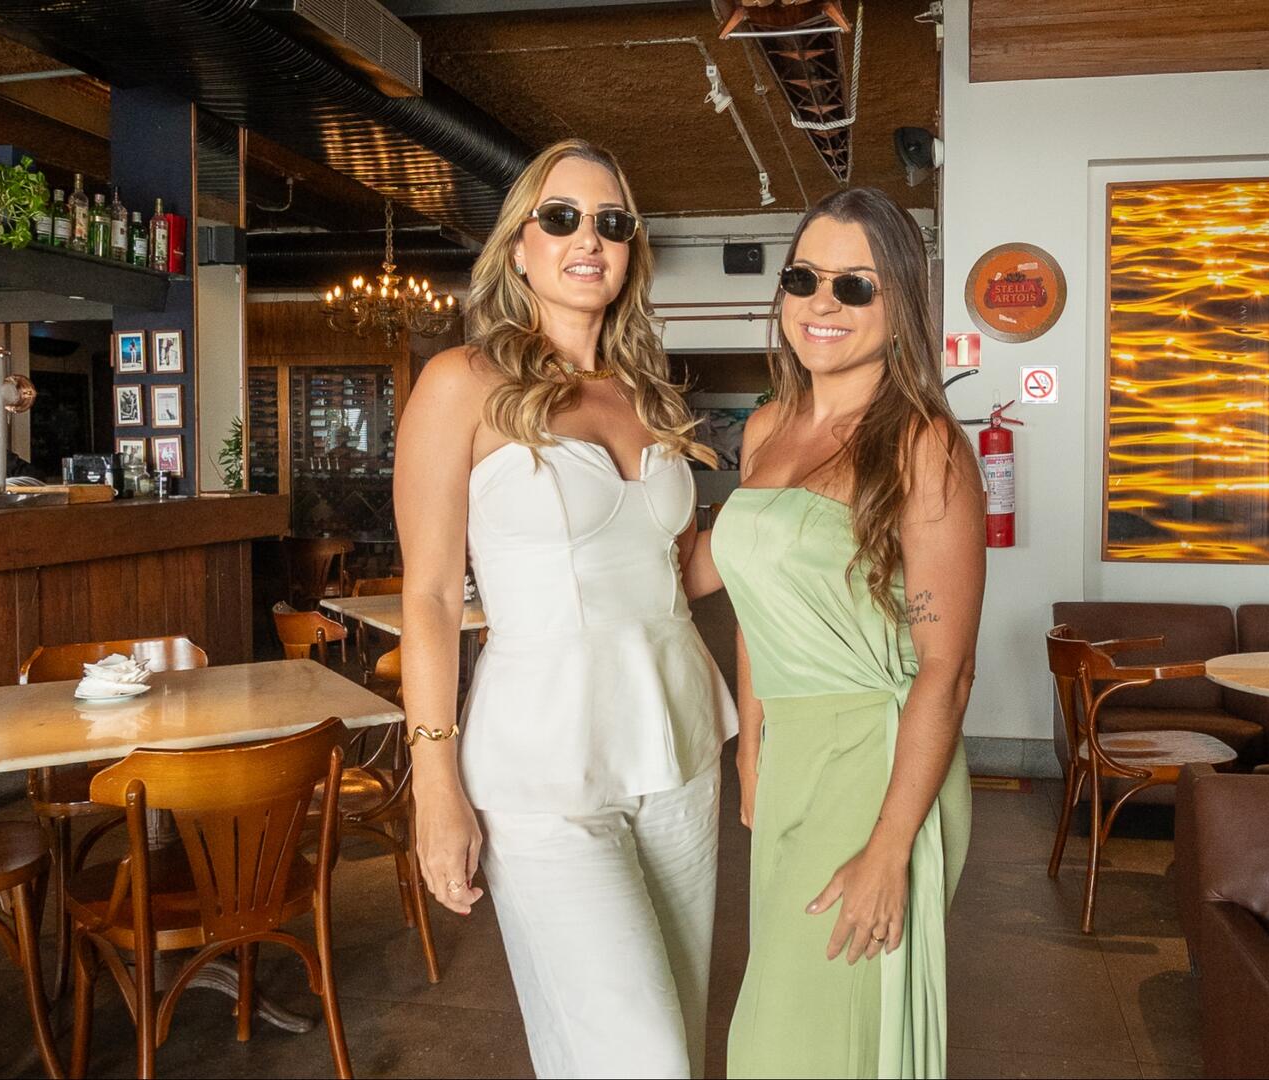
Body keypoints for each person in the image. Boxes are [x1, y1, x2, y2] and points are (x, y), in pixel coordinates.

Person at [395, 138, 736, 1079]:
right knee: (642, 1059)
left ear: (631, 252)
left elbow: (673, 572)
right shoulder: (461, 383)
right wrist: (433, 784)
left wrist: (788, 505)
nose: (590, 238)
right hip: (540, 766)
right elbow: (430, 596)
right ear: (520, 247)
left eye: (611, 223)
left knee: (678, 1033)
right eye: (562, 218)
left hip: (677, 747)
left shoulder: (649, 394)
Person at [689, 187, 984, 1078]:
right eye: (804, 278)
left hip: (878, 760)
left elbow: (947, 670)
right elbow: (754, 602)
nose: (823, 302)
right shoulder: (766, 428)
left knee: (804, 1038)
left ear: (900, 305)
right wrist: (751, 748)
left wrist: (889, 848)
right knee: (786, 1023)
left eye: (856, 285)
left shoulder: (923, 444)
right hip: (791, 758)